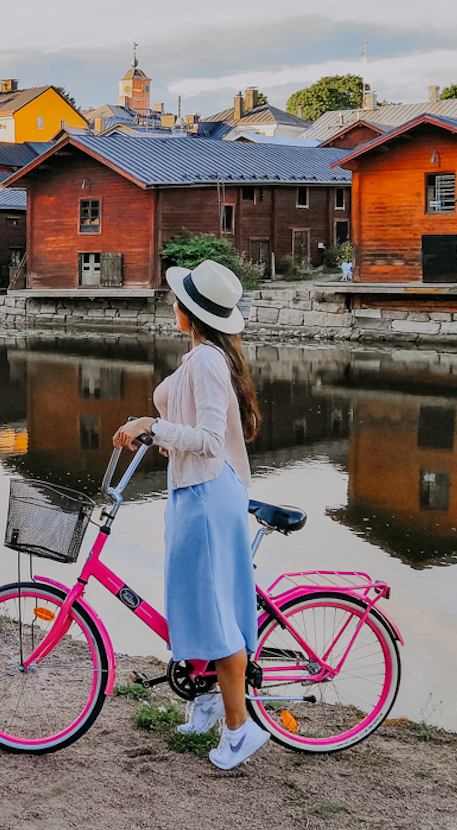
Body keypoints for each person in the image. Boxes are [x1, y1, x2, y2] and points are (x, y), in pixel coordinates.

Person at [112, 259, 266, 771]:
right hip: (192, 490)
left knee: (216, 612)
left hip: (205, 496)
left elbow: (207, 442)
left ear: (189, 311)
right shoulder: (202, 355)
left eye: (177, 300)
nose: (172, 305)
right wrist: (159, 434)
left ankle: (240, 732)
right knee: (196, 603)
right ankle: (206, 700)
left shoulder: (206, 362)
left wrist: (152, 427)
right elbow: (195, 435)